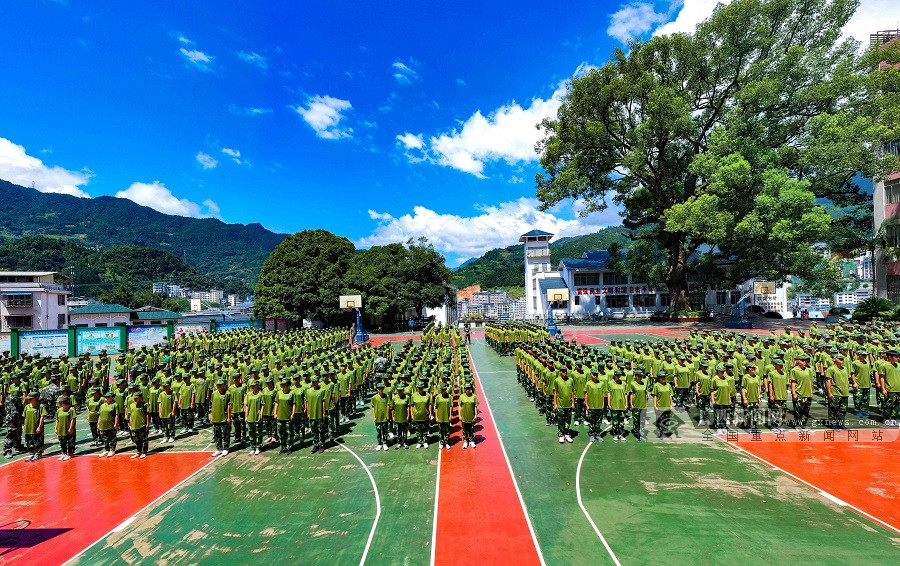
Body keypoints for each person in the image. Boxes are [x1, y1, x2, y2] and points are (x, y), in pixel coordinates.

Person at [825, 353, 850, 429]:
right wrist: (829, 393)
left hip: (844, 393)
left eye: (842, 359)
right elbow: (828, 381)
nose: (842, 360)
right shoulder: (831, 369)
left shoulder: (845, 368)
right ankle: (833, 423)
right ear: (834, 359)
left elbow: (847, 380)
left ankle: (840, 423)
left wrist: (847, 389)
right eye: (840, 359)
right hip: (835, 392)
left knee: (843, 410)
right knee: (834, 409)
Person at [305, 375, 327, 454]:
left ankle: (321, 445)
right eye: (313, 382)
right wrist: (308, 413)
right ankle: (315, 445)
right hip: (312, 414)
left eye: (315, 381)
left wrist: (324, 413)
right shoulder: (308, 391)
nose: (314, 383)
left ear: (318, 382)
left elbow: (323, 402)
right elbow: (307, 402)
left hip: (319, 414)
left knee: (321, 430)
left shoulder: (322, 391)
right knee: (314, 431)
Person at [210, 378, 231, 457]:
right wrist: (212, 417)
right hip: (216, 418)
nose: (219, 386)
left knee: (225, 434)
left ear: (224, 385)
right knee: (217, 434)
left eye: (220, 385)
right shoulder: (214, 394)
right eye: (218, 385)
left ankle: (226, 448)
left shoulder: (227, 394)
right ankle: (219, 448)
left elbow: (229, 406)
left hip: (223, 417)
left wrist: (228, 417)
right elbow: (212, 406)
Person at [553, 367, 575, 443]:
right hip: (560, 404)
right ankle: (561, 435)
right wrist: (555, 404)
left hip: (568, 404)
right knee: (561, 420)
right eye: (563, 371)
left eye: (565, 371)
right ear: (560, 372)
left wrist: (573, 402)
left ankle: (566, 434)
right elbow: (555, 392)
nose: (565, 372)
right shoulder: (557, 381)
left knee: (568, 420)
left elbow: (572, 392)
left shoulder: (570, 380)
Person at [22, 392, 46, 461]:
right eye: (28, 399)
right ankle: (31, 453)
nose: (29, 400)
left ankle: (38, 454)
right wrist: (24, 426)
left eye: (31, 398)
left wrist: (39, 427)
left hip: (36, 427)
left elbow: (42, 417)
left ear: (36, 398)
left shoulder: (40, 406)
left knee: (38, 441)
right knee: (29, 441)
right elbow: (25, 417)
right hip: (28, 428)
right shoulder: (27, 407)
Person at [585, 367, 605, 443]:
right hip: (591, 406)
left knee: (598, 421)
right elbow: (586, 394)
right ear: (591, 374)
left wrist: (603, 404)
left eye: (596, 374)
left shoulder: (601, 383)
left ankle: (597, 434)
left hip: (599, 405)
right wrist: (587, 405)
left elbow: (602, 394)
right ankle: (591, 434)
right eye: (593, 374)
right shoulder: (588, 383)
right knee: (591, 421)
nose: (595, 376)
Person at [274, 377, 294, 454]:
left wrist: (292, 414)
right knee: (281, 433)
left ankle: (289, 447)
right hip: (280, 416)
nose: (282, 386)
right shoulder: (279, 393)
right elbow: (276, 403)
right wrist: (275, 413)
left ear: (288, 385)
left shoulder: (292, 393)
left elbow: (294, 404)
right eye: (281, 384)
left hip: (288, 416)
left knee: (289, 433)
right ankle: (283, 447)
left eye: (284, 384)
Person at [628, 370, 649, 440]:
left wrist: (646, 403)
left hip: (643, 405)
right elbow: (631, 394)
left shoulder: (644, 384)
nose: (640, 377)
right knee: (636, 421)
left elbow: (646, 394)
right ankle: (637, 433)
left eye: (641, 376)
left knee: (642, 421)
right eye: (639, 376)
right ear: (636, 376)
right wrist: (631, 404)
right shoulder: (633, 384)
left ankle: (642, 433)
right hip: (636, 405)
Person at [652, 372, 673, 439]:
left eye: (664, 377)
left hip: (667, 406)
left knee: (666, 420)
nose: (664, 378)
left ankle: (665, 433)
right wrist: (655, 405)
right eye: (662, 377)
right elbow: (655, 396)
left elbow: (670, 395)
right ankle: (660, 433)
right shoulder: (656, 385)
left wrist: (671, 404)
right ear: (659, 378)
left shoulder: (668, 385)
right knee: (659, 421)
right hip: (660, 406)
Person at [607, 371, 628, 441]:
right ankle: (615, 434)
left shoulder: (624, 384)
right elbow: (609, 393)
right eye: (617, 375)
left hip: (622, 405)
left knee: (621, 421)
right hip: (614, 404)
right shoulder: (610, 383)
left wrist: (626, 404)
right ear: (615, 375)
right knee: (615, 421)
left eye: (620, 375)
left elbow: (625, 394)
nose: (619, 376)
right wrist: (609, 403)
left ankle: (621, 434)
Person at [245, 379, 263, 455]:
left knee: (258, 433)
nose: (252, 387)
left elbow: (262, 405)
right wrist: (246, 416)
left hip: (257, 416)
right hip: (250, 417)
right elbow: (246, 406)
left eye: (253, 386)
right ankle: (253, 447)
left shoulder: (260, 394)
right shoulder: (248, 395)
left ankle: (258, 447)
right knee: (251, 433)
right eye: (251, 386)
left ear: (257, 386)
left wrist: (261, 415)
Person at [55, 395, 76, 460]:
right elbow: (57, 419)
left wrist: (71, 428)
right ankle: (64, 453)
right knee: (62, 442)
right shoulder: (59, 410)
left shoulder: (71, 409)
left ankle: (70, 454)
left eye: (61, 402)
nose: (60, 403)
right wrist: (56, 428)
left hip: (68, 429)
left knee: (70, 442)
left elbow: (73, 419)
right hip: (61, 429)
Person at [129, 390, 149, 459]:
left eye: (136, 397)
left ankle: (144, 452)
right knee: (136, 440)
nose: (135, 399)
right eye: (134, 397)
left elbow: (147, 414)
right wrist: (130, 424)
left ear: (141, 397)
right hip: (134, 425)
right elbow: (131, 415)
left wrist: (147, 423)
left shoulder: (145, 404)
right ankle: (139, 451)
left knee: (144, 439)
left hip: (142, 425)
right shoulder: (132, 405)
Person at [98, 390, 118, 457]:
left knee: (112, 438)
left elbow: (117, 415)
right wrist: (99, 423)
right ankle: (107, 449)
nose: (106, 398)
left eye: (108, 397)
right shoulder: (102, 406)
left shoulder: (115, 405)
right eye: (105, 397)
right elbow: (100, 415)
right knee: (105, 438)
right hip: (103, 425)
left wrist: (116, 423)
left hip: (110, 424)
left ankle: (112, 450)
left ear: (112, 397)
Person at [411, 381, 431, 448]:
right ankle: (419, 442)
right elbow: (412, 406)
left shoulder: (427, 395)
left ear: (423, 387)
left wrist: (430, 413)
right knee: (418, 430)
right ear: (417, 387)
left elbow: (430, 404)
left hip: (425, 415)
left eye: (421, 387)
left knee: (425, 429)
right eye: (419, 387)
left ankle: (425, 441)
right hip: (417, 416)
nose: (420, 388)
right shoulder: (414, 396)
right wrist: (412, 414)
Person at [391, 383, 411, 449]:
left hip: (404, 417)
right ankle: (399, 443)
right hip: (397, 417)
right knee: (398, 431)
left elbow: (408, 407)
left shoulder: (407, 397)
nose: (400, 391)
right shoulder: (394, 398)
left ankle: (405, 442)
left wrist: (408, 416)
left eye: (401, 390)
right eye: (398, 390)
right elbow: (393, 408)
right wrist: (393, 416)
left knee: (405, 431)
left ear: (403, 390)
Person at [458, 382, 478, 448]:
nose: (468, 390)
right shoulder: (461, 397)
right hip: (464, 417)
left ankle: (471, 441)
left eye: (469, 388)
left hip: (471, 417)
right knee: (464, 430)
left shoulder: (474, 396)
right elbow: (460, 406)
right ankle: (465, 441)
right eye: (466, 388)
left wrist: (476, 415)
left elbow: (475, 406)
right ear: (464, 389)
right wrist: (459, 415)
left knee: (471, 430)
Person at [372, 382, 390, 450]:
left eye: (382, 388)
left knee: (385, 431)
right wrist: (374, 416)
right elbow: (373, 407)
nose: (380, 390)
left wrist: (387, 415)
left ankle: (385, 443)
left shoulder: (386, 396)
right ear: (377, 389)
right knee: (379, 431)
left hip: (384, 417)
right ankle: (379, 443)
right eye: (379, 388)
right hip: (378, 417)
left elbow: (388, 406)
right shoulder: (374, 398)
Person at [433, 384, 452, 449]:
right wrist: (436, 417)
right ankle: (441, 442)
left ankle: (446, 442)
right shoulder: (438, 397)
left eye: (444, 389)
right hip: (440, 417)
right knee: (441, 431)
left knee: (447, 431)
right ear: (440, 390)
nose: (443, 390)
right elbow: (436, 407)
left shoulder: (449, 397)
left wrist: (450, 415)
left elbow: (450, 406)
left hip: (447, 417)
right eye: (442, 389)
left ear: (446, 389)